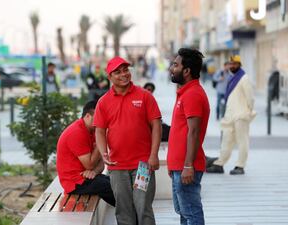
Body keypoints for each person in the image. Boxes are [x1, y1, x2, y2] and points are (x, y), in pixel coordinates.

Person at [94, 56, 162, 225]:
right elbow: (100, 131)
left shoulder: (145, 96)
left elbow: (157, 125)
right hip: (117, 167)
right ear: (110, 77)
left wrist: (153, 155)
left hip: (143, 165)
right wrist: (104, 154)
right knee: (123, 211)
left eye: (125, 70)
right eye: (117, 72)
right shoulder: (103, 102)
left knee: (143, 208)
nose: (123, 74)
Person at [167, 48, 210, 225]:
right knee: (184, 213)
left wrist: (188, 165)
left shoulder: (192, 95)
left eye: (176, 65)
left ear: (186, 71)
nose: (171, 68)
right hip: (179, 166)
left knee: (191, 214)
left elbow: (193, 132)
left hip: (186, 166)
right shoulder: (185, 93)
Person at [56, 100, 115, 206]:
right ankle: (129, 214)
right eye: (98, 118)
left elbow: (101, 164)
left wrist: (94, 172)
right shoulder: (77, 132)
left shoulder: (92, 131)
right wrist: (100, 141)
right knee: (111, 187)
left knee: (116, 183)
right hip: (75, 183)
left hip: (86, 178)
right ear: (87, 116)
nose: (101, 122)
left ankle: (129, 214)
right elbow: (90, 164)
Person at [206, 55, 256, 175]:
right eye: (230, 63)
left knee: (242, 140)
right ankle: (220, 164)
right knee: (226, 140)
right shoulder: (232, 78)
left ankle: (240, 166)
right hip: (230, 115)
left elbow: (251, 98)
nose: (232, 66)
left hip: (241, 115)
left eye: (235, 64)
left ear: (239, 65)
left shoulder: (244, 78)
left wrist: (248, 112)